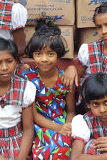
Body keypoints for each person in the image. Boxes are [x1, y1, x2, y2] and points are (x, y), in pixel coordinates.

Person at [21, 20, 75, 159]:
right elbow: (34, 116)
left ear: (58, 54)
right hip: (39, 124)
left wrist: (67, 126)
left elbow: (71, 110)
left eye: (50, 54)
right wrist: (57, 128)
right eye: (38, 54)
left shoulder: (66, 79)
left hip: (63, 123)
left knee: (66, 147)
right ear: (32, 54)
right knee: (47, 151)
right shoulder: (28, 79)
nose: (44, 59)